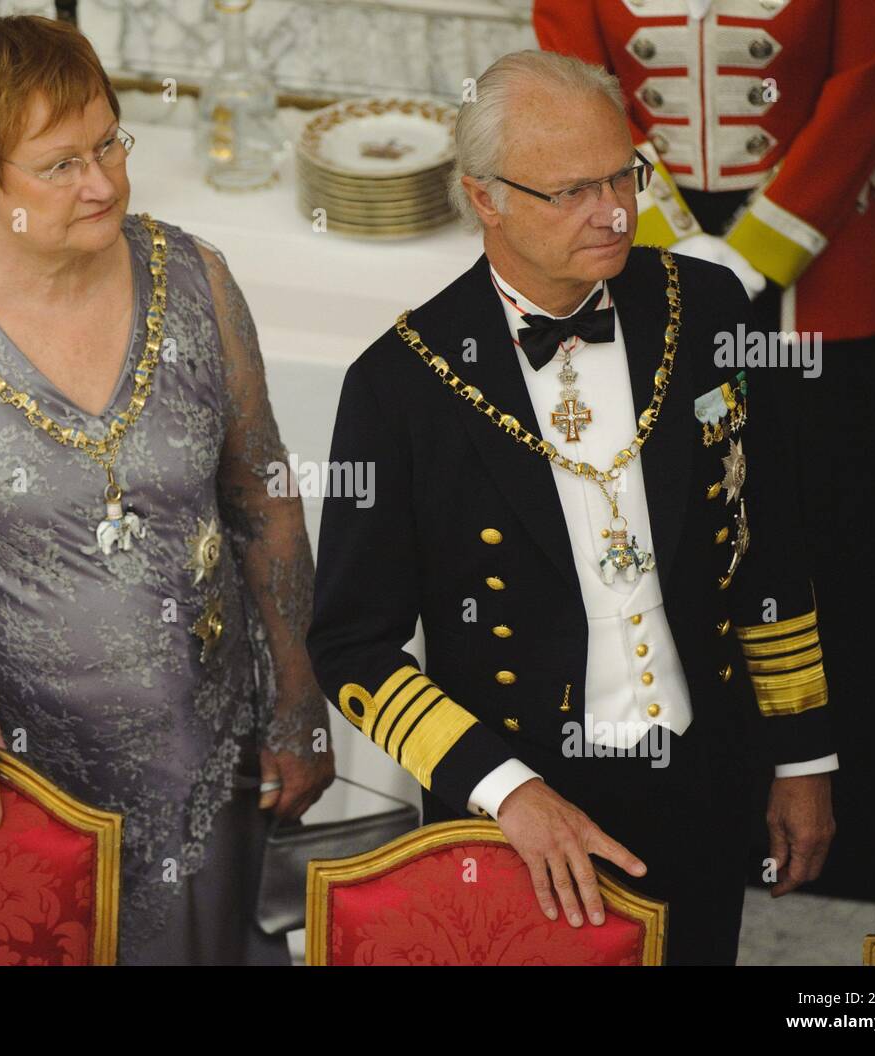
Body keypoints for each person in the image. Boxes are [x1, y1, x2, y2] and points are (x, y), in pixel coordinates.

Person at [0, 14, 332, 965]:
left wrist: (295, 698)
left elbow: (263, 499)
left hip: (200, 755)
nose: (103, 183)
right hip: (18, 779)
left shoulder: (198, 279)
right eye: (59, 166)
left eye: (109, 144)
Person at [306, 50, 835, 965]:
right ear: (485, 198)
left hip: (702, 773)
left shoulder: (706, 309)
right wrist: (505, 789)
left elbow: (768, 548)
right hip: (518, 809)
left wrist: (802, 758)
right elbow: (351, 645)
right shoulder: (400, 385)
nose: (616, 211)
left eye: (622, 176)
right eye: (572, 192)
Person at [531, 0, 875, 899]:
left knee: (828, 540)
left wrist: (757, 254)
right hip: (632, 247)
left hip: (817, 262)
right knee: (674, 533)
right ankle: (695, 824)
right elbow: (577, 83)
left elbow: (866, 88)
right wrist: (668, 239)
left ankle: (840, 846)